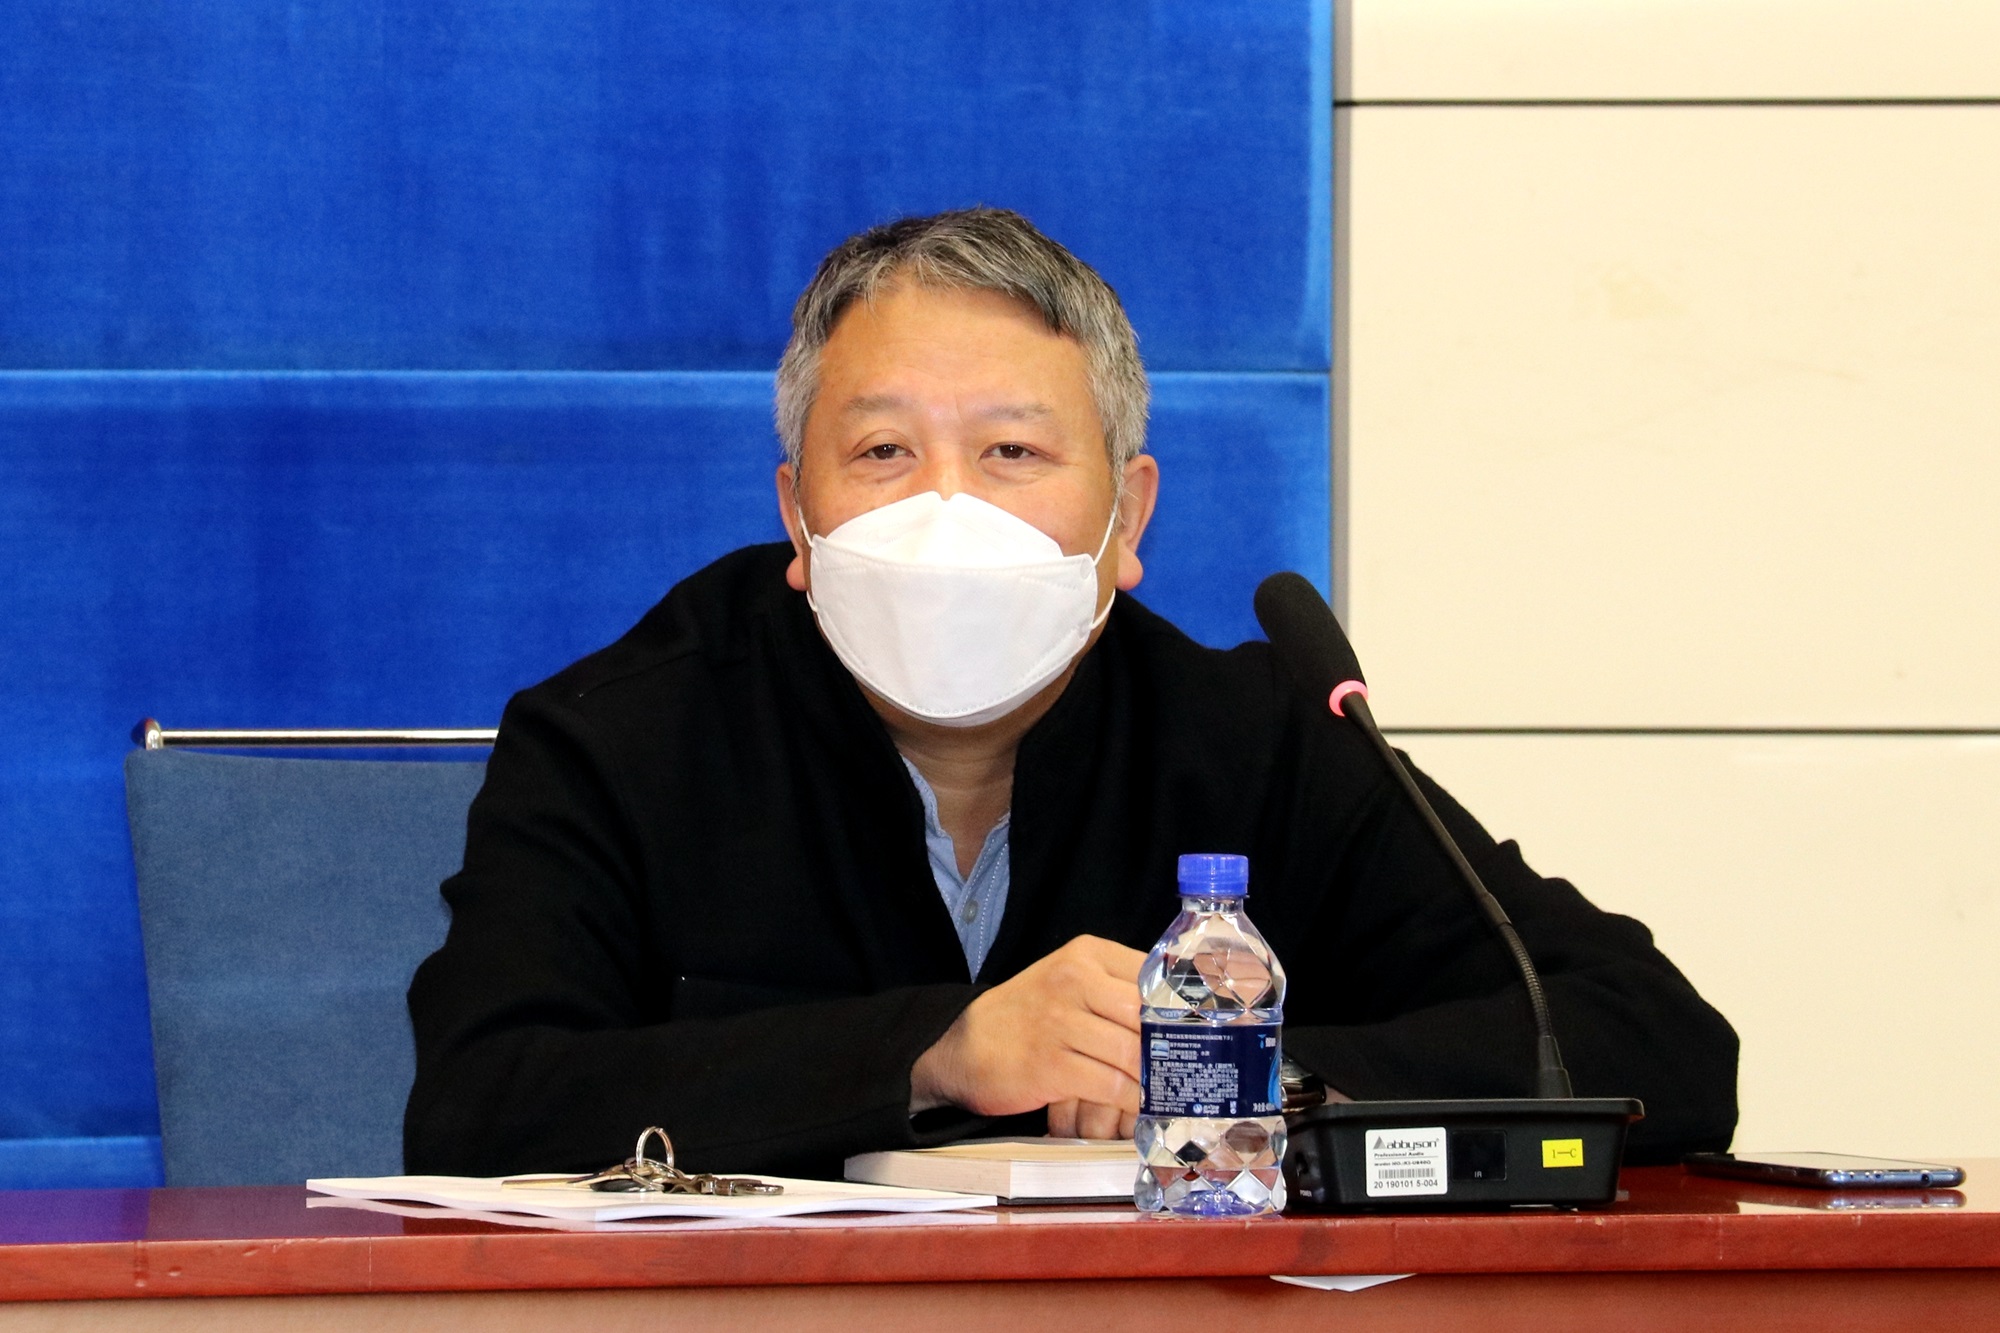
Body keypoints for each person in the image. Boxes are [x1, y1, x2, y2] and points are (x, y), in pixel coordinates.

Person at [405, 208, 1737, 1177]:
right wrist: (936, 1052)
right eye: (883, 451)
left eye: (1012, 452)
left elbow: (1654, 1040)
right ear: (797, 518)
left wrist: (1239, 1075)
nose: (947, 509)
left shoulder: (1256, 735)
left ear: (1127, 515)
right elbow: (475, 1107)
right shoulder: (620, 734)